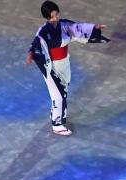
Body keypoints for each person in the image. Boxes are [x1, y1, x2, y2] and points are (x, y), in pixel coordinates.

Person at [25, 1, 109, 136]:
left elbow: (78, 29)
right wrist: (30, 55)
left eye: (56, 15)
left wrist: (94, 28)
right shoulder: (44, 31)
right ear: (47, 17)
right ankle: (57, 124)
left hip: (64, 63)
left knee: (62, 91)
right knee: (57, 95)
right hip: (51, 66)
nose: (55, 18)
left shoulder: (64, 25)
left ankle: (58, 116)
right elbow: (35, 44)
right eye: (52, 16)